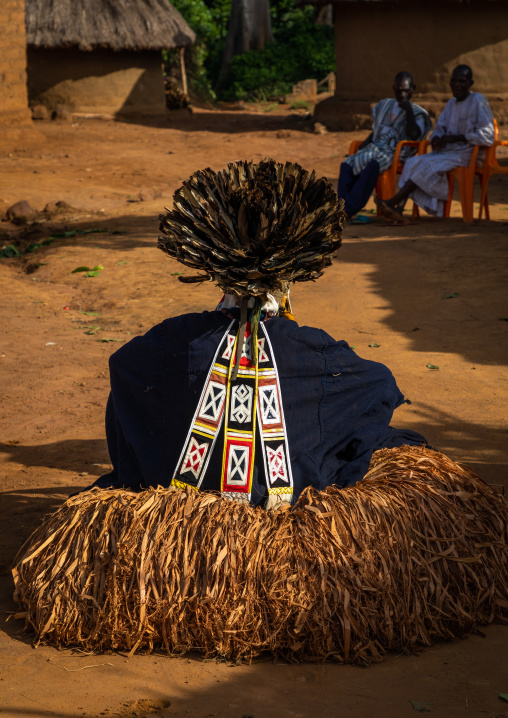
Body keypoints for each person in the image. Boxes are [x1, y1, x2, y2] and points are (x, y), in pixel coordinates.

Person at [90, 159, 427, 509]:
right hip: (286, 495)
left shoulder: (173, 338)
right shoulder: (314, 349)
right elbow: (380, 385)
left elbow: (124, 367)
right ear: (288, 278)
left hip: (181, 500)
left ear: (217, 274)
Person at [376, 65, 495, 223]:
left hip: (468, 153)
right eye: (454, 81)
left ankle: (392, 202)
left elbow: (488, 135)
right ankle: (399, 210)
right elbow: (439, 128)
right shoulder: (451, 104)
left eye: (462, 81)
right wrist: (436, 139)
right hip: (449, 153)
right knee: (413, 162)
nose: (457, 85)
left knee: (427, 166)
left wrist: (457, 138)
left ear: (470, 83)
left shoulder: (478, 101)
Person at [337, 71, 431, 219]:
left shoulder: (418, 113)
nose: (403, 94)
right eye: (399, 90)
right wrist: (361, 148)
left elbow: (414, 135)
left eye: (406, 90)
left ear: (413, 88)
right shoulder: (385, 105)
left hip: (396, 153)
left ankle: (348, 209)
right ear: (394, 89)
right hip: (376, 147)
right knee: (347, 164)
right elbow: (376, 132)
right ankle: (340, 207)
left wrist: (407, 110)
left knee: (373, 166)